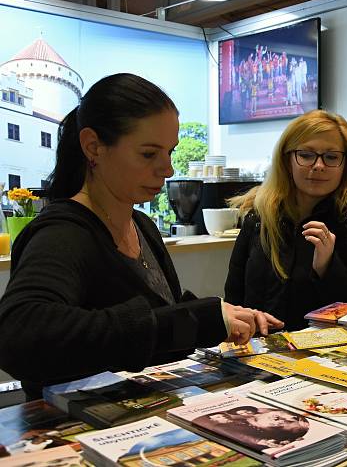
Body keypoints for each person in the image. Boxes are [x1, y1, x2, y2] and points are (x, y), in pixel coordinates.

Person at [0, 74, 282, 400]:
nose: (167, 169)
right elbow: (20, 335)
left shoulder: (142, 225)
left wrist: (215, 315)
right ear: (93, 147)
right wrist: (187, 321)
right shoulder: (63, 234)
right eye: (149, 154)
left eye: (170, 152)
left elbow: (158, 321)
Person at [224, 110, 347, 331]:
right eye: (307, 155)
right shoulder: (259, 217)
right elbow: (234, 298)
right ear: (287, 159)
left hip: (325, 357)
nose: (318, 165)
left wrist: (327, 267)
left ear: (346, 164)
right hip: (256, 352)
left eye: (331, 157)